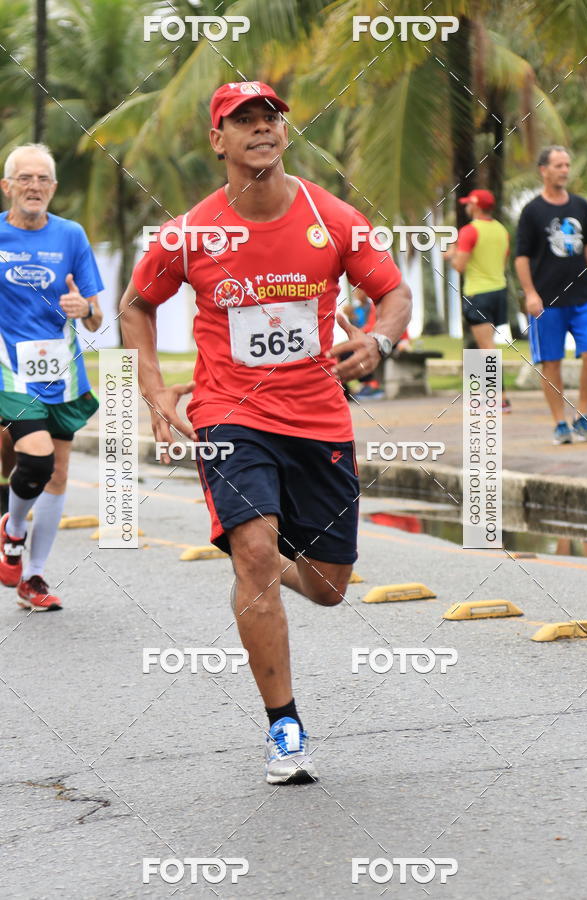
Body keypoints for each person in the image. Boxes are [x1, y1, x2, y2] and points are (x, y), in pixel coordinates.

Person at [119, 81, 411, 784]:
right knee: (253, 555)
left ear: (284, 132)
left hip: (317, 417)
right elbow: (136, 305)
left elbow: (394, 292)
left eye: (270, 118)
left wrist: (380, 339)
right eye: (242, 120)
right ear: (217, 139)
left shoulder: (331, 217)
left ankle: (265, 555)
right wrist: (154, 389)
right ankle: (285, 727)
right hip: (230, 414)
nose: (260, 129)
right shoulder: (191, 232)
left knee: (330, 588)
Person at [0, 143, 104, 610]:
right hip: (9, 370)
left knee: (58, 474)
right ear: (7, 186)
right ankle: (13, 530)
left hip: (62, 370)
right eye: (25, 178)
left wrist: (84, 309)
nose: (34, 186)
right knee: (37, 461)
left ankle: (34, 577)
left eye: (43, 179)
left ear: (54, 187)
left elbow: (96, 317)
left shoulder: (71, 236)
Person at [515, 146, 587, 443]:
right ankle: (560, 422)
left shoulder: (580, 206)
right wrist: (530, 293)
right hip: (546, 301)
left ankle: (583, 415)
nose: (565, 170)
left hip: (583, 298)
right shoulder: (532, 211)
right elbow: (521, 257)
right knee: (551, 362)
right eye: (558, 165)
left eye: (567, 165)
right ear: (544, 170)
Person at [446, 188, 511, 410]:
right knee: (488, 345)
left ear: (474, 206)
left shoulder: (469, 231)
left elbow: (460, 266)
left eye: (468, 203)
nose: (466, 207)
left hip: (478, 293)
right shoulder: (501, 230)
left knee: (487, 348)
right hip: (499, 291)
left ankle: (499, 398)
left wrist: (451, 254)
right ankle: (492, 395)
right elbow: (502, 262)